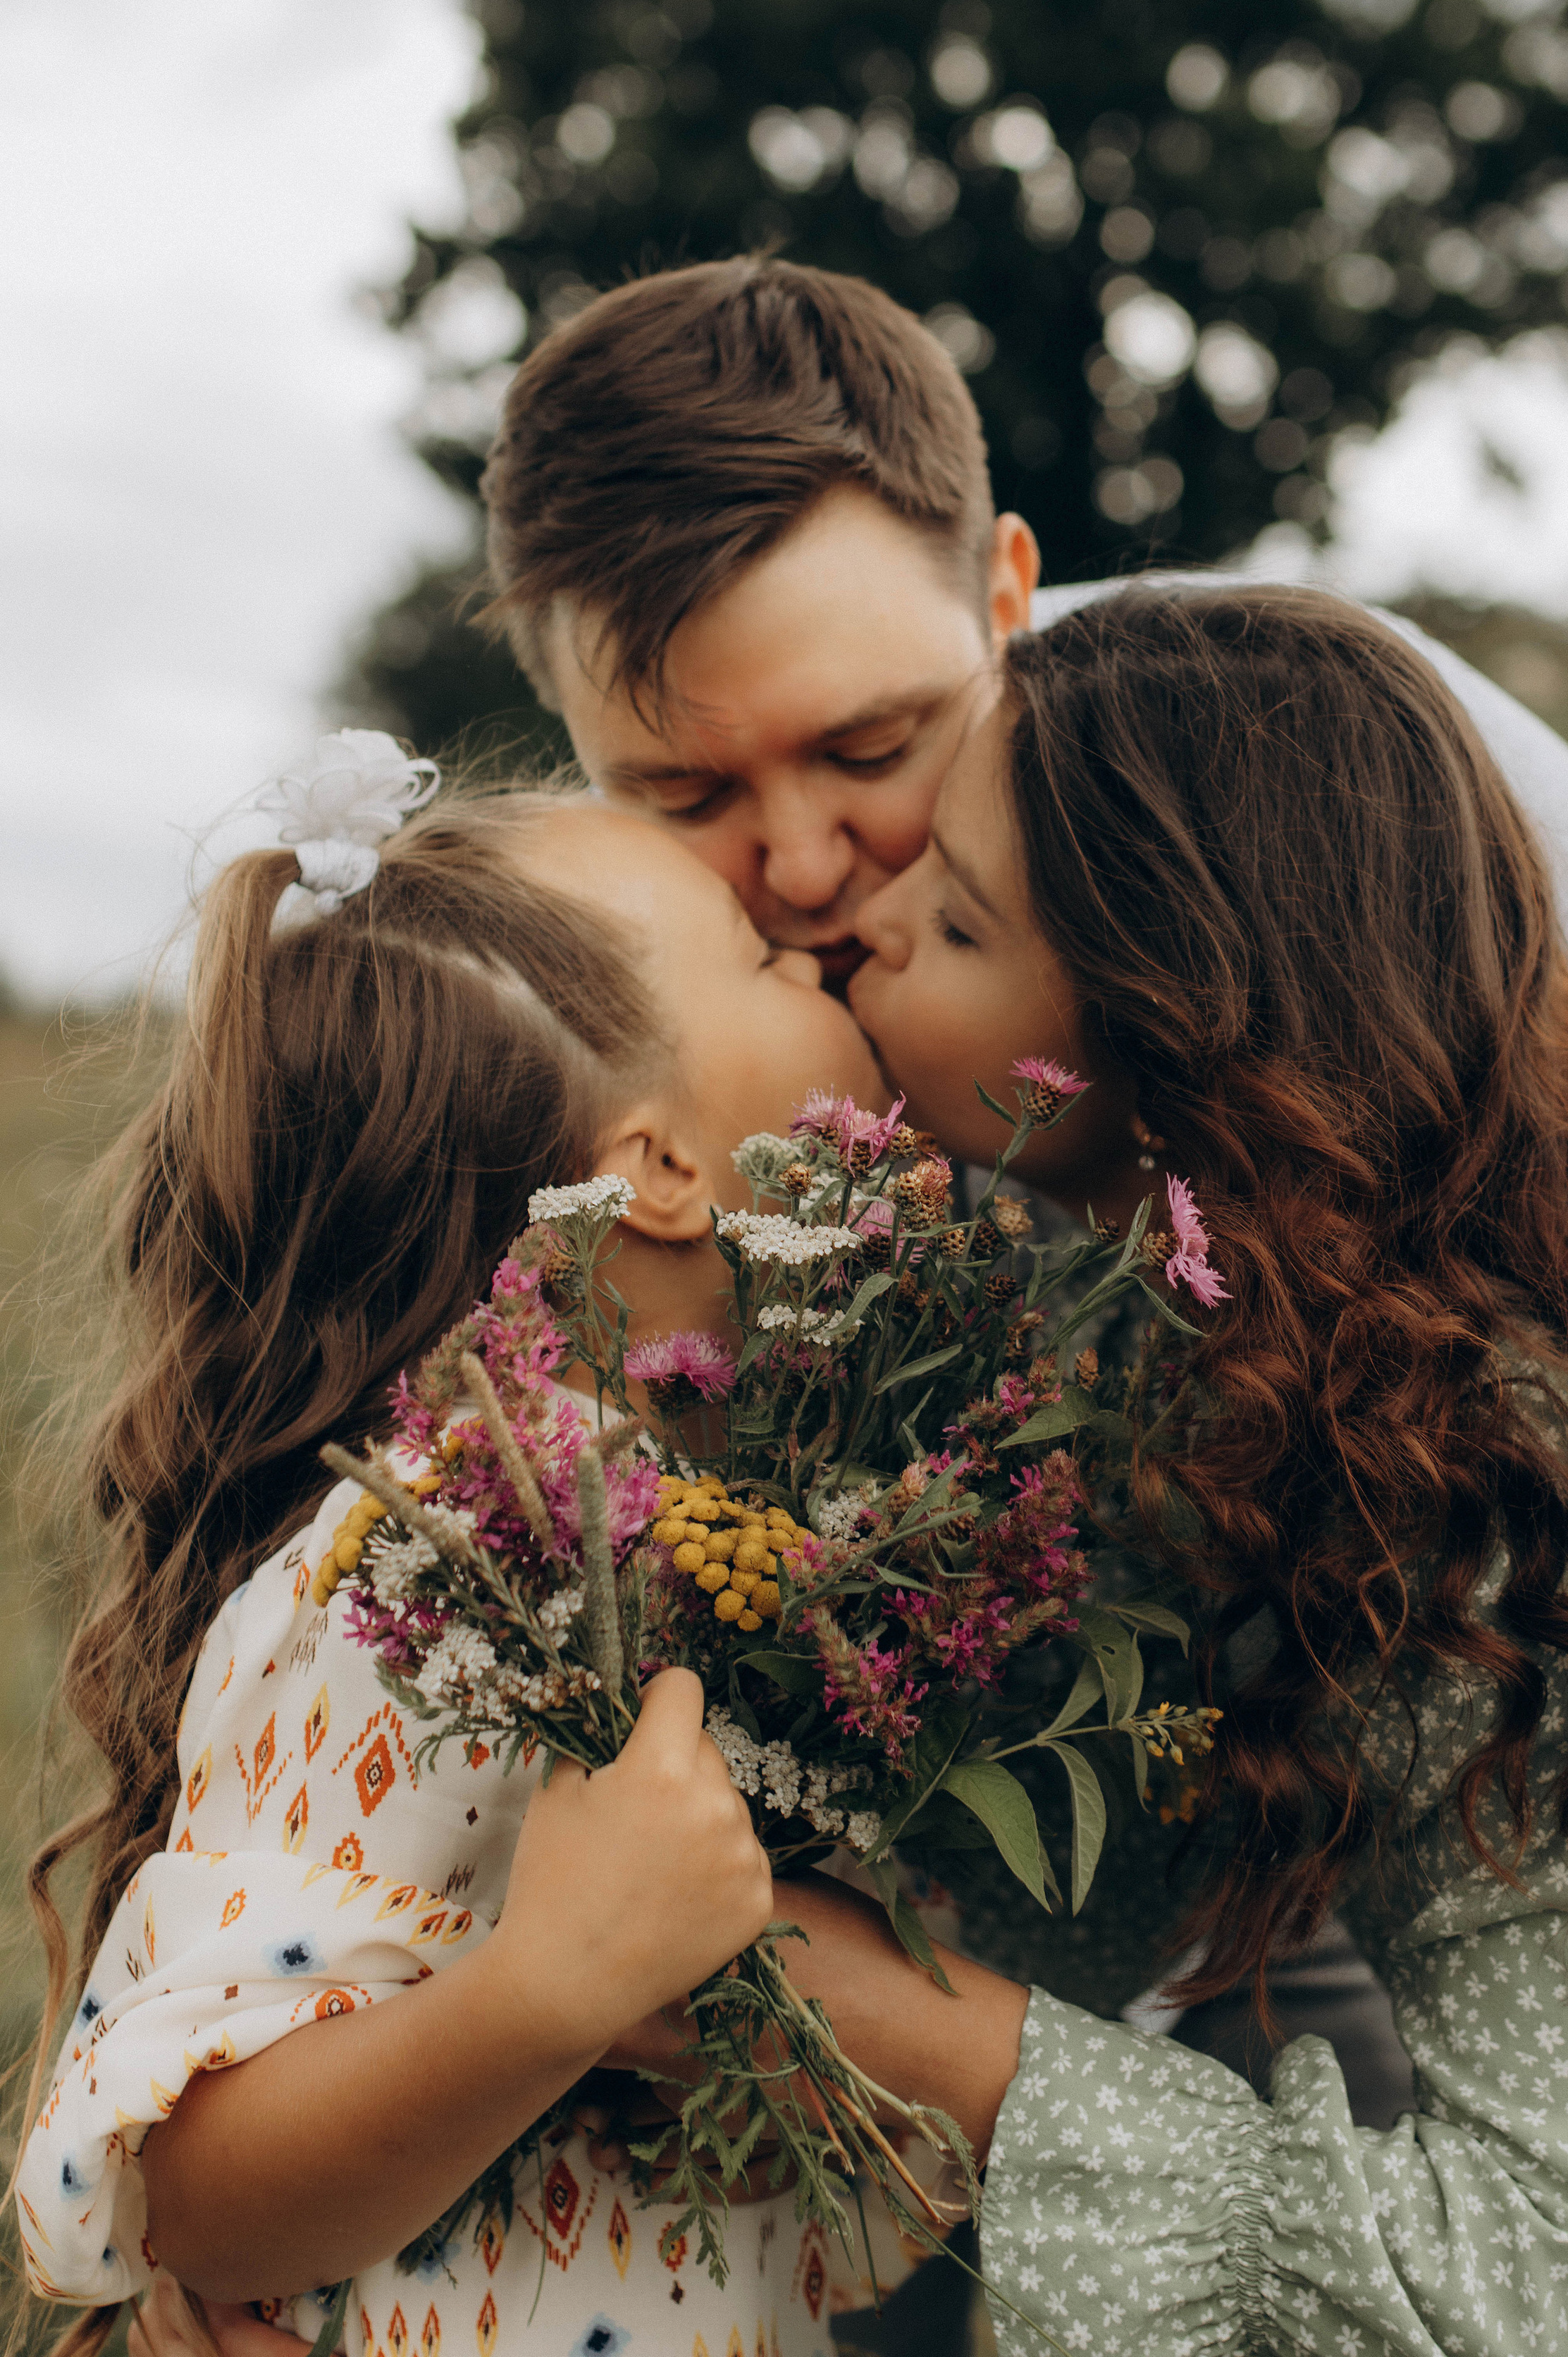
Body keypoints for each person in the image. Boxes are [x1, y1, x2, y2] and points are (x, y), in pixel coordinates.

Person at [705, 581, 1568, 2355]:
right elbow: (1089, 1874)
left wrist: (947, 2052)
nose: (860, 922)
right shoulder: (1189, 1326)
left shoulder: (1539, 1478)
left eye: (960, 919)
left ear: (1173, 1053)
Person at [14, 741, 884, 2357]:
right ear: (664, 1170)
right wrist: (545, 1993)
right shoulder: (402, 1571)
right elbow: (195, 2195)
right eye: (767, 959)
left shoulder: (748, 1533)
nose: (827, 955)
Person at [481, 254, 1568, 1069]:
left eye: (872, 747)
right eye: (683, 797)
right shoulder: (534, 1007)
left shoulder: (1335, 762)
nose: (810, 869)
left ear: (1010, 593)